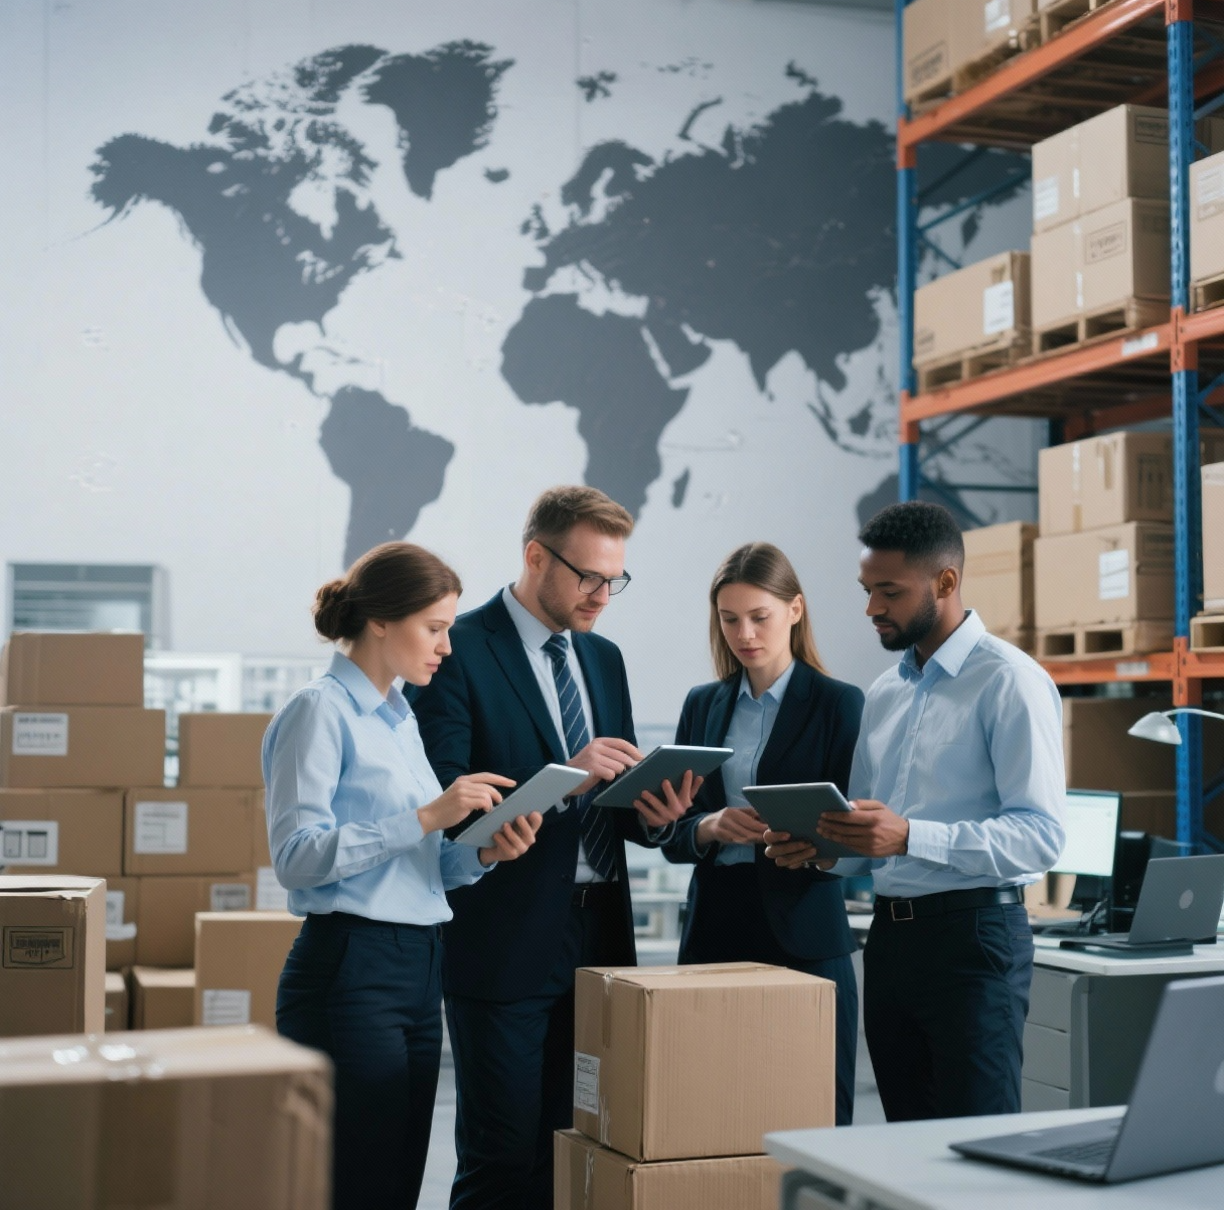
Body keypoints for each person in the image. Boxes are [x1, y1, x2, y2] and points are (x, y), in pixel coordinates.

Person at [412, 485, 693, 1210]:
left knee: (584, 1147)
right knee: (503, 1157)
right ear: (536, 556)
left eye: (614, 580)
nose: (602, 596)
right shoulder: (457, 649)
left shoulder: (605, 658)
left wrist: (658, 815)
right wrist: (565, 776)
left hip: (601, 938)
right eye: (588, 576)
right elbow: (447, 798)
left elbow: (612, 802)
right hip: (505, 937)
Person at [263, 542, 543, 1210]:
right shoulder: (319, 710)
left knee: (397, 1185)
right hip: (351, 968)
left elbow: (422, 867)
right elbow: (295, 857)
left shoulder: (400, 718)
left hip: (419, 966)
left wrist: (481, 853)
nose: (446, 647)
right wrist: (425, 816)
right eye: (435, 628)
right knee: (356, 1185)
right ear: (382, 620)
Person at [766, 501, 1065, 1123]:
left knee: (978, 1143)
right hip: (891, 942)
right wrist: (823, 851)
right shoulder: (885, 693)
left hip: (975, 939)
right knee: (904, 1141)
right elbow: (869, 838)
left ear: (945, 582)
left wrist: (908, 837)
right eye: (867, 590)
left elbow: (1040, 837)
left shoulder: (1010, 681)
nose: (872, 608)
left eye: (890, 592)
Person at [660, 542, 864, 1126]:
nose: (744, 634)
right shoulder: (703, 705)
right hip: (716, 926)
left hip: (804, 928)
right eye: (729, 619)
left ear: (795, 610)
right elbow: (673, 831)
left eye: (759, 616)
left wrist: (818, 851)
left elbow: (858, 835)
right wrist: (708, 826)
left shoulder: (839, 704)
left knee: (815, 1111)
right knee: (710, 1112)